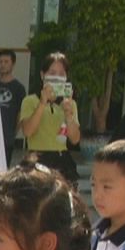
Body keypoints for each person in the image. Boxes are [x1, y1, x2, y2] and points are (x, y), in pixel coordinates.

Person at [19, 52, 81, 180]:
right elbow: (28, 131)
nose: (56, 78)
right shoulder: (30, 101)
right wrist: (43, 102)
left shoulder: (70, 103)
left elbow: (75, 139)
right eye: (52, 73)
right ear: (42, 75)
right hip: (37, 159)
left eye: (61, 74)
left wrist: (69, 114)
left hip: (62, 159)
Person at [0, 49, 27, 159]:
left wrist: (14, 133)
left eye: (6, 61)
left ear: (13, 64)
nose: (2, 65)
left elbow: (21, 113)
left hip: (7, 137)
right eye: (0, 62)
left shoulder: (19, 88)